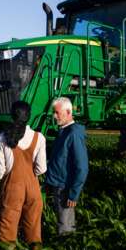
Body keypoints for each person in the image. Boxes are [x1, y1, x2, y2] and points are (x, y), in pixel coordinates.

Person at [0, 101, 46, 249]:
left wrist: (9, 180)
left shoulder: (3, 137)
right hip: (33, 188)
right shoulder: (39, 137)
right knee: (34, 231)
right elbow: (41, 168)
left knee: (7, 231)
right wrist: (30, 176)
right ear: (29, 116)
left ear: (12, 115)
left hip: (12, 187)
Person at [45, 97, 89, 235]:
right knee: (63, 222)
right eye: (54, 112)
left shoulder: (73, 133)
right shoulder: (64, 131)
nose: (54, 116)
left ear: (68, 112)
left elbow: (82, 167)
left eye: (57, 112)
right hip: (58, 184)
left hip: (65, 187)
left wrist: (74, 194)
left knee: (65, 225)